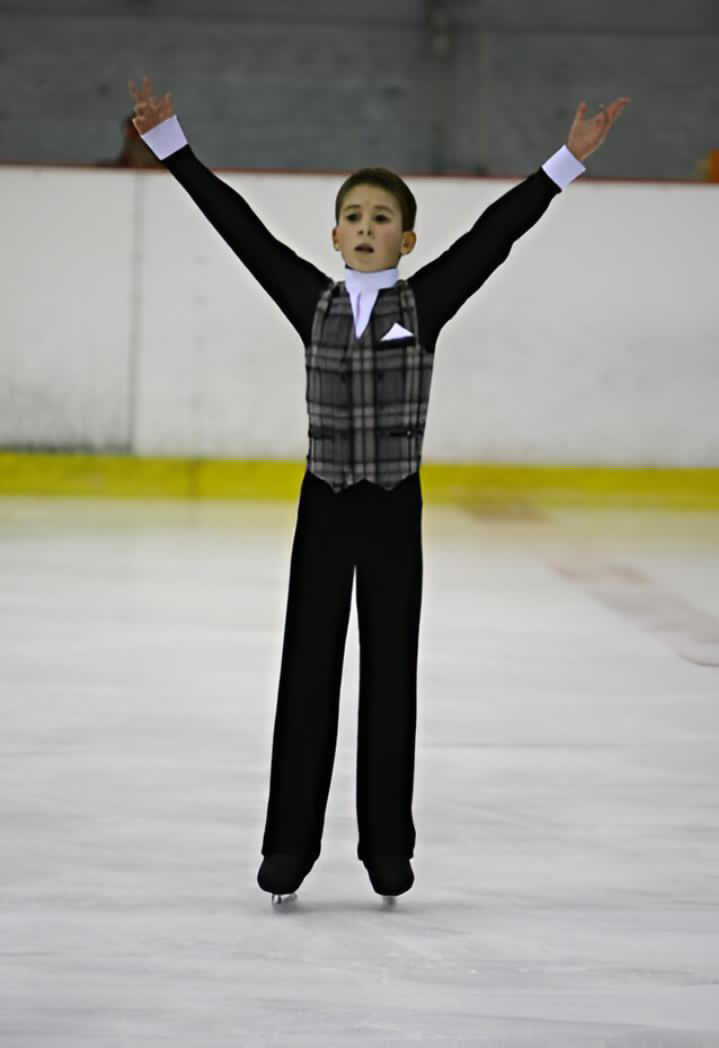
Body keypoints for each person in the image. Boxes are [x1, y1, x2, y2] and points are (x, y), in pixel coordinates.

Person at [128, 76, 630, 902]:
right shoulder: (309, 300)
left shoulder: (421, 304)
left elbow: (491, 239)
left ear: (405, 239)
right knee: (307, 672)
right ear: (333, 235)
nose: (367, 228)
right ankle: (289, 847)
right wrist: (172, 145)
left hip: (394, 508)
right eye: (354, 217)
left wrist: (563, 163)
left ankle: (386, 848)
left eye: (382, 219)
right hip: (324, 505)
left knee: (389, 673)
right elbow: (239, 230)